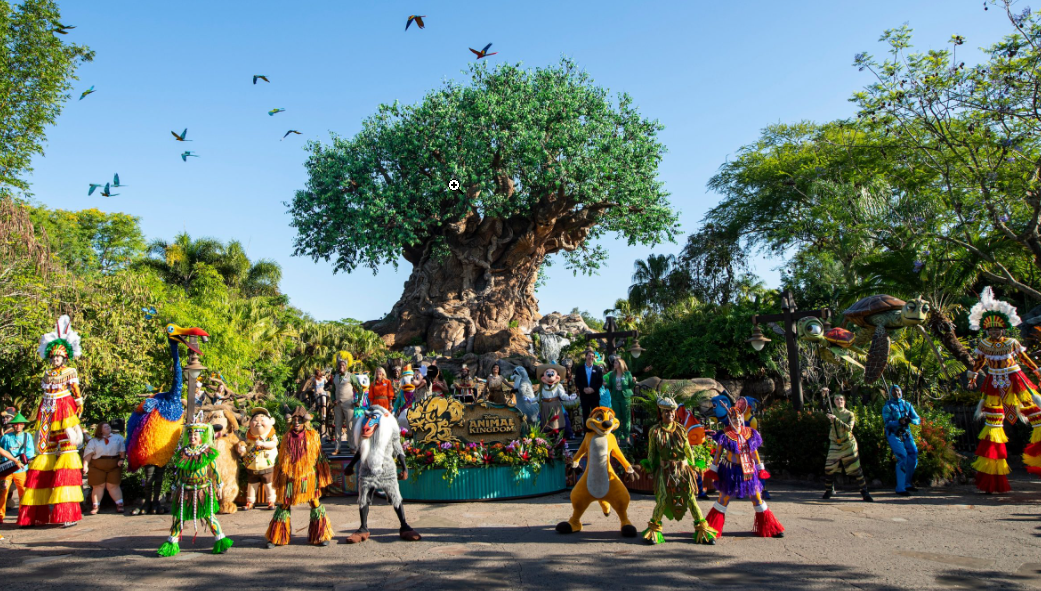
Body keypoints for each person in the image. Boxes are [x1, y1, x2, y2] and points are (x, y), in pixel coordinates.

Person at [966, 286, 1041, 493]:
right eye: (991, 330)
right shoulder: (983, 345)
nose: (994, 332)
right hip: (993, 384)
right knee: (992, 425)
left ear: (1004, 329)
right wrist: (972, 378)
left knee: (1036, 414)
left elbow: (1024, 358)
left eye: (997, 329)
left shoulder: (1012, 343)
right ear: (986, 330)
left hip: (1016, 379)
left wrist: (1037, 372)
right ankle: (991, 479)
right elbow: (978, 363)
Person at [19, 315, 85, 528]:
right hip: (47, 414)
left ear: (64, 358)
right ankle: (33, 515)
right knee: (43, 457)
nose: (56, 360)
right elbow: (45, 393)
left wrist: (79, 404)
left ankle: (67, 514)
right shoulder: (47, 374)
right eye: (53, 357)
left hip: (64, 413)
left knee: (67, 457)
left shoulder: (70, 372)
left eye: (59, 357)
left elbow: (76, 393)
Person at [640, 397, 717, 545]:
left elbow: (688, 449)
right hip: (665, 470)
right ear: (661, 413)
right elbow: (652, 452)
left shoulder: (681, 429)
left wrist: (693, 466)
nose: (669, 414)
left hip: (683, 470)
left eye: (671, 411)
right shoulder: (655, 431)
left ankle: (703, 531)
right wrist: (650, 468)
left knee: (690, 498)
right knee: (663, 499)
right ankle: (654, 532)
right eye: (666, 411)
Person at [703, 397, 784, 538]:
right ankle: (711, 529)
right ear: (730, 419)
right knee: (724, 498)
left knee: (757, 497)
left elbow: (754, 452)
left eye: (739, 418)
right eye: (734, 418)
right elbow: (718, 454)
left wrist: (760, 468)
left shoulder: (750, 433)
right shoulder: (725, 435)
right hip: (730, 471)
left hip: (749, 471)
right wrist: (713, 469)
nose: (737, 420)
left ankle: (770, 528)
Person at [157, 419, 233, 556]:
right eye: (190, 435)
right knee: (179, 517)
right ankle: (171, 545)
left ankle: (221, 541)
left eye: (195, 435)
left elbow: (215, 470)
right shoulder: (183, 452)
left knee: (209, 516)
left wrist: (219, 486)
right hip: (185, 490)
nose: (192, 437)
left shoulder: (207, 452)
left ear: (201, 437)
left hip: (202, 490)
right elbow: (179, 471)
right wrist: (174, 486)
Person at [265, 406, 334, 548]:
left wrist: (321, 476)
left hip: (307, 477)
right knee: (284, 504)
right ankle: (277, 537)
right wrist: (283, 473)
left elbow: (318, 457)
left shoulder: (313, 435)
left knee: (314, 503)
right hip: (289, 477)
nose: (296, 423)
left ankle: (321, 535)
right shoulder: (287, 436)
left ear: (305, 421)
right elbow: (281, 458)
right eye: (294, 420)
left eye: (300, 420)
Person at [822, 392, 873, 502]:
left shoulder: (850, 414)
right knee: (829, 468)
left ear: (844, 401)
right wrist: (824, 396)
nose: (839, 401)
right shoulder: (832, 411)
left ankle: (864, 492)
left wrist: (836, 420)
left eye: (841, 399)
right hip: (835, 443)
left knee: (856, 469)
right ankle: (828, 490)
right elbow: (824, 407)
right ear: (834, 401)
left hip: (848, 443)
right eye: (836, 399)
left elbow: (849, 428)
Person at [882, 384, 920, 496]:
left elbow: (917, 419)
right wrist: (899, 422)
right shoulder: (888, 406)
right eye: (894, 392)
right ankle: (900, 488)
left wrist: (910, 420)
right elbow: (887, 423)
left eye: (898, 391)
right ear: (891, 393)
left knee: (913, 454)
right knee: (903, 457)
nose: (897, 393)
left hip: (906, 433)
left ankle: (907, 483)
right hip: (893, 434)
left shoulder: (907, 404)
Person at [81, 421, 127, 515]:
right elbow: (88, 454)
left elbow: (122, 450)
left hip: (114, 465)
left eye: (108, 426)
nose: (108, 428)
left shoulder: (118, 438)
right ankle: (95, 506)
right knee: (98, 486)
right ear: (100, 430)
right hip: (97, 466)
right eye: (105, 427)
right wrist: (85, 465)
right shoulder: (94, 441)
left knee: (113, 485)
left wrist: (122, 459)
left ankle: (120, 505)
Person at [0, 413, 35, 529]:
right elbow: (2, 451)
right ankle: (0, 516)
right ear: (13, 425)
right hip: (7, 469)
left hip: (21, 468)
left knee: (23, 492)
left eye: (20, 424)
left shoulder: (27, 436)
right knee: (3, 492)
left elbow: (30, 453)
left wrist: (26, 462)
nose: (18, 426)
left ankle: (24, 516)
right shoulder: (6, 437)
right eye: (15, 424)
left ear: (23, 425)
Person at [331, 358, 363, 455]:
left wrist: (358, 401)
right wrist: (333, 399)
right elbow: (332, 390)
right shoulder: (335, 377)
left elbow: (360, 388)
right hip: (338, 404)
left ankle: (352, 446)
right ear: (337, 366)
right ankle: (337, 448)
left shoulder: (351, 376)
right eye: (340, 365)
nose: (341, 367)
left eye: (343, 365)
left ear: (346, 366)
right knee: (338, 426)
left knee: (350, 426)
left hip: (348, 404)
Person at [606, 358, 636, 443]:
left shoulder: (627, 374)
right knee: (616, 417)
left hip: (625, 397)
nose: (614, 364)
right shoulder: (612, 374)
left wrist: (634, 381)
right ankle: (617, 436)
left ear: (620, 364)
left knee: (626, 417)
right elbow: (610, 386)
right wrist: (605, 385)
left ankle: (627, 437)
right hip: (615, 397)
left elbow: (631, 385)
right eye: (614, 363)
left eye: (616, 363)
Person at [573, 350, 605, 425]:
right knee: (586, 415)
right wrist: (583, 388)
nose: (591, 357)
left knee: (596, 415)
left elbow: (600, 382)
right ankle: (587, 431)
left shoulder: (598, 369)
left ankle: (596, 430)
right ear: (586, 356)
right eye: (589, 356)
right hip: (584, 395)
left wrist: (593, 389)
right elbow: (577, 381)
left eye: (592, 356)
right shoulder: (580, 369)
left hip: (594, 396)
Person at [312, 368, 329, 438]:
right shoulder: (314, 379)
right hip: (317, 393)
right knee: (319, 405)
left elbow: (327, 383)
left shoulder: (323, 378)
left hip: (322, 392)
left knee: (324, 404)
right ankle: (320, 415)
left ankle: (324, 416)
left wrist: (325, 378)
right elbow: (314, 385)